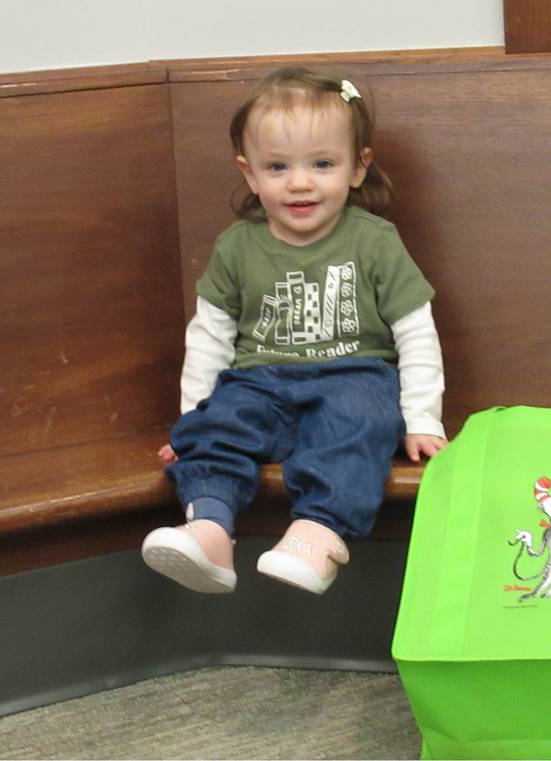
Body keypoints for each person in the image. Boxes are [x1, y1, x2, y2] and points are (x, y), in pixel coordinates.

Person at [141, 67, 447, 595]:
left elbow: (416, 331)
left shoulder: (374, 241)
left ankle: (318, 533)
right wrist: (194, 415)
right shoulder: (237, 247)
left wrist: (421, 418)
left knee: (362, 422)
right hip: (260, 382)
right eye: (277, 166)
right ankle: (210, 529)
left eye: (322, 163)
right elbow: (210, 335)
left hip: (354, 375)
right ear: (250, 173)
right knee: (218, 426)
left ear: (357, 167)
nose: (300, 182)